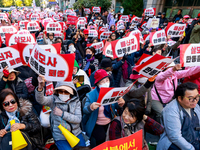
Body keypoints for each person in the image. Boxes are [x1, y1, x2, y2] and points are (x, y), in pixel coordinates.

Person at [35, 76, 86, 150]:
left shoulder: (76, 101)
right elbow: (41, 100)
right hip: (60, 136)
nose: (63, 93)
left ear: (71, 92)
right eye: (60, 91)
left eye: (66, 91)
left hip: (76, 133)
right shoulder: (53, 99)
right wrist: (40, 88)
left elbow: (78, 119)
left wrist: (62, 114)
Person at [82, 69, 125, 148]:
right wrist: (91, 107)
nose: (106, 83)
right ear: (98, 83)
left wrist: (120, 104)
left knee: (112, 141)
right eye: (103, 81)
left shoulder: (111, 92)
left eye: (107, 80)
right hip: (96, 124)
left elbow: (115, 105)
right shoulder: (91, 95)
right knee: (101, 141)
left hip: (110, 122)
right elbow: (84, 110)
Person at [157, 82, 200, 150]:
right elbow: (175, 137)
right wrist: (191, 148)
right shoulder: (171, 110)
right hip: (176, 145)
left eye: (197, 97)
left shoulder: (196, 106)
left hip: (194, 140)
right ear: (180, 98)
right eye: (190, 98)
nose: (195, 100)